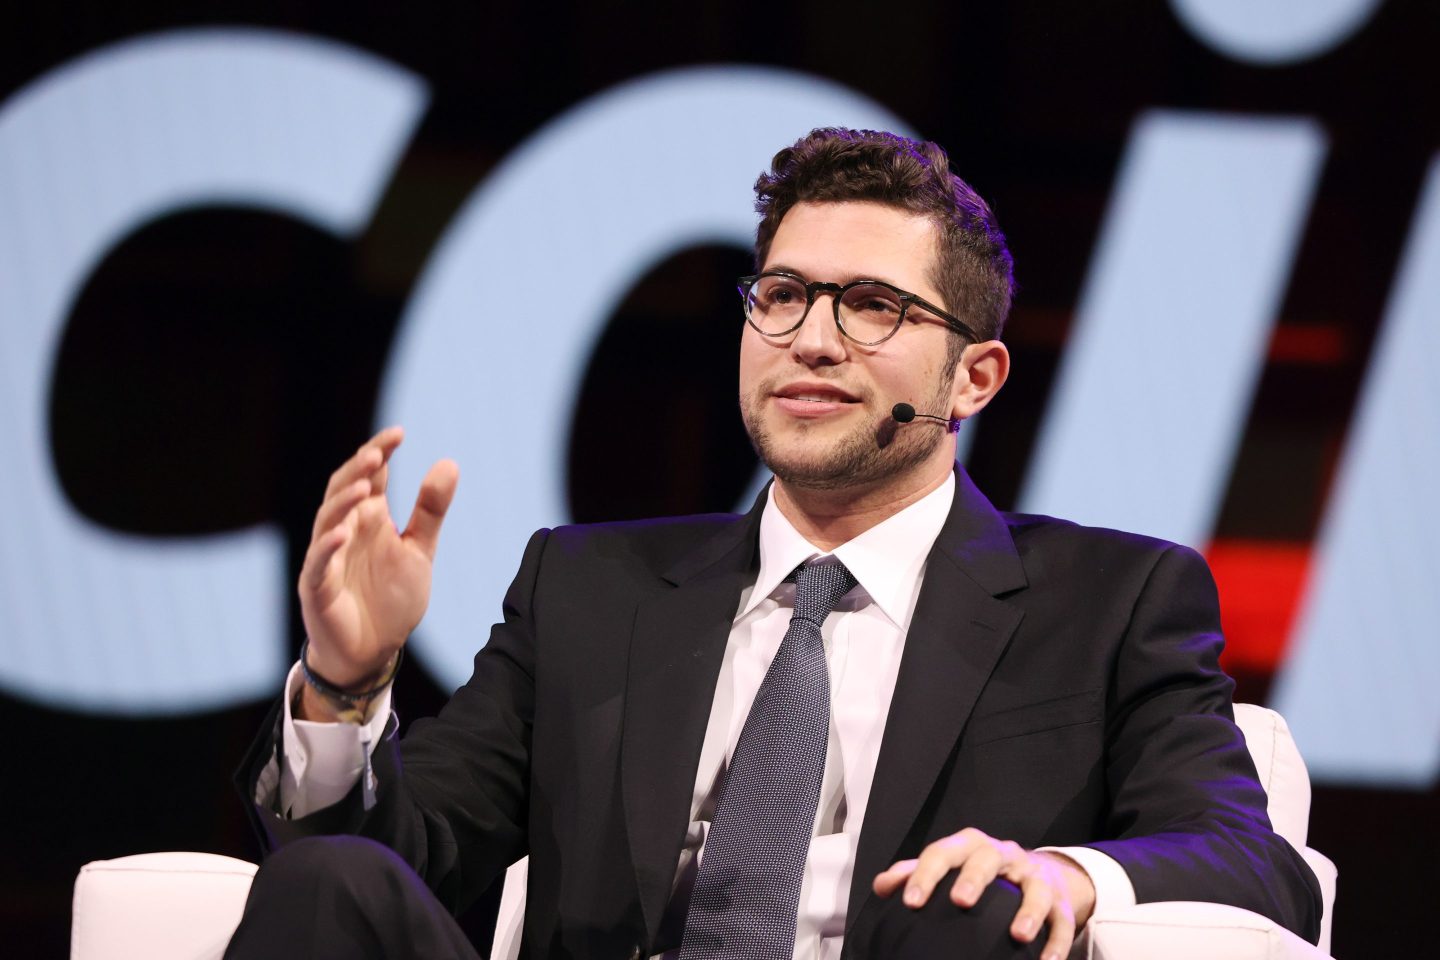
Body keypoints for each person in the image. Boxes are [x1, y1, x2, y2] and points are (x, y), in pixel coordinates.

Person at [226, 128, 1322, 960]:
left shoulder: (1111, 601)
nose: (812, 339)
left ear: (974, 379)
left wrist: (1065, 876)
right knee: (327, 886)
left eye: (873, 307)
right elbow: (400, 855)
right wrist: (344, 681)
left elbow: (1251, 862)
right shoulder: (590, 588)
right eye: (786, 295)